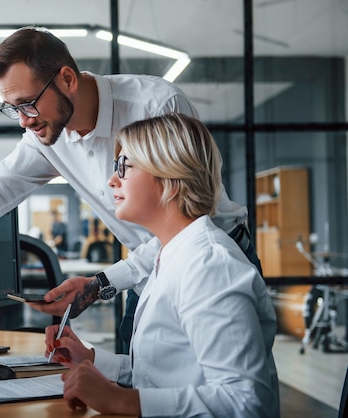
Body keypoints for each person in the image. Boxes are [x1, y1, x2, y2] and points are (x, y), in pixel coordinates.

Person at [0, 26, 256, 350]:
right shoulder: (47, 134)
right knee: (139, 376)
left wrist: (101, 283)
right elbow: (1, 183)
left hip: (209, 257)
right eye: (13, 109)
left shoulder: (154, 105)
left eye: (28, 104)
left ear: (67, 79)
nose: (23, 121)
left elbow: (189, 220)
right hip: (149, 267)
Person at [45, 113, 279, 417]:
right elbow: (167, 373)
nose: (112, 180)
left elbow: (247, 403)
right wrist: (90, 358)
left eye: (124, 167)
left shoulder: (209, 266)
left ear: (170, 177)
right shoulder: (170, 255)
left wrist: (121, 400)